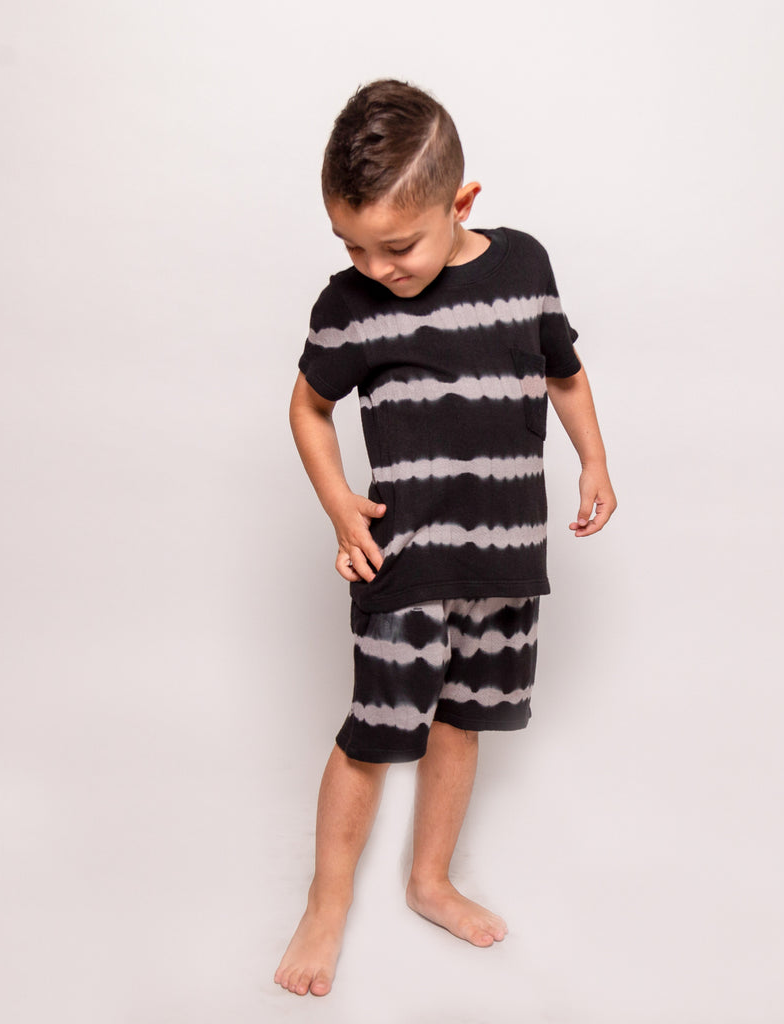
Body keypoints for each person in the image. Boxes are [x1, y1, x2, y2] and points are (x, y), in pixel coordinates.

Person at [274, 79, 617, 997]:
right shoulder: (349, 305)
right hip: (407, 564)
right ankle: (326, 902)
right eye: (351, 244)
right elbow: (308, 407)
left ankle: (430, 880)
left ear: (461, 203)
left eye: (397, 246)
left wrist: (594, 460)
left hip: (506, 561)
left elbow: (564, 373)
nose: (375, 266)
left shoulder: (525, 265)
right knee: (375, 734)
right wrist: (340, 504)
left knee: (464, 723)